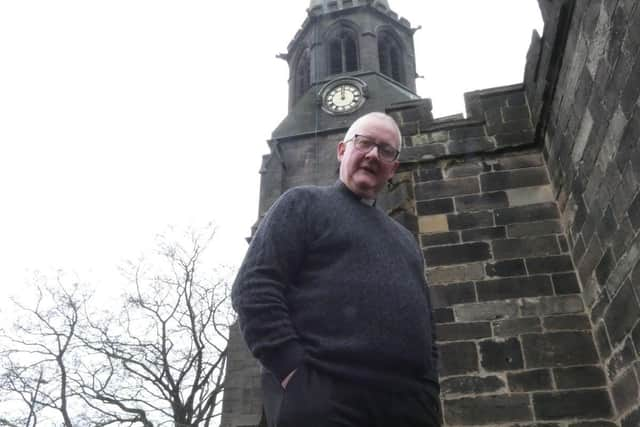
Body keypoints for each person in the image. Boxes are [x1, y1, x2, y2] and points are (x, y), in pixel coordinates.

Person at [232, 112, 440, 427]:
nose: (373, 154)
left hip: (411, 407)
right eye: (365, 143)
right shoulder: (303, 204)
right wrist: (292, 370)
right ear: (342, 150)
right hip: (326, 399)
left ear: (393, 168)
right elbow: (254, 287)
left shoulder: (405, 239)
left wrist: (429, 387)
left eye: (385, 150)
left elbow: (426, 323)